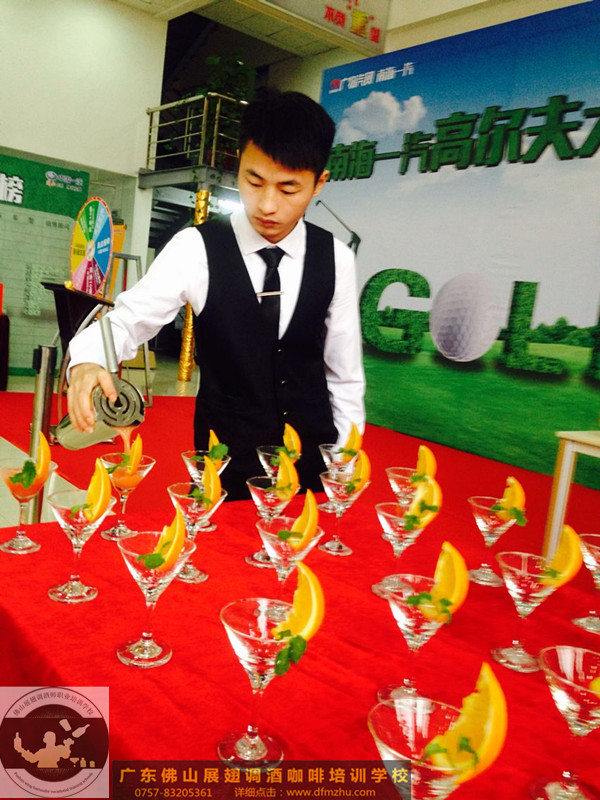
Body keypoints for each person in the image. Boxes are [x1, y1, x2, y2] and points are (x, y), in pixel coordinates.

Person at [67, 88, 365, 500]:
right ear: (238, 164)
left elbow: (344, 375)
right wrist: (88, 360)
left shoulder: (336, 258)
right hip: (223, 467)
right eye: (253, 181)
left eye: (288, 189)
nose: (267, 205)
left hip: (311, 467)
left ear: (319, 183)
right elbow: (129, 318)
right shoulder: (195, 248)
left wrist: (344, 466)